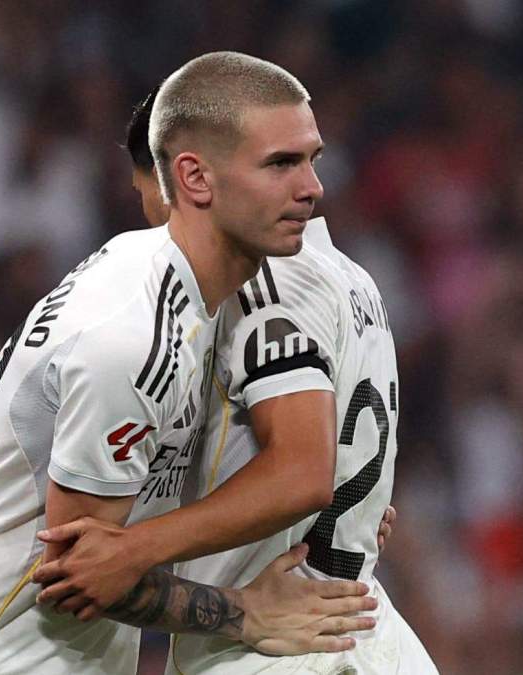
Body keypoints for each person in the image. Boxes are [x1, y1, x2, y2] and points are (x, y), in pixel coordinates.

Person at [0, 51, 378, 675]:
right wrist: (246, 612)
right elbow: (84, 574)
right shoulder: (131, 336)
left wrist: (329, 519)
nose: (312, 189)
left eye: (312, 160)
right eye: (281, 164)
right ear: (194, 179)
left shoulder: (186, 289)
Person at [32, 84, 434, 675]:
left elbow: (302, 470)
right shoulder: (353, 279)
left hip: (282, 647)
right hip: (368, 633)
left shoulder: (264, 280)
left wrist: (131, 549)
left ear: (182, 180)